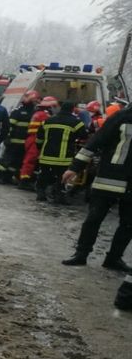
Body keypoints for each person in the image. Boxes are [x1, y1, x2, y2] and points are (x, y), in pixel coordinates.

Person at [59, 106, 132, 272]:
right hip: (109, 177)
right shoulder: (122, 117)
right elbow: (96, 141)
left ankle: (113, 259)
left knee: (128, 224)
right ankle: (81, 254)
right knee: (94, 218)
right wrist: (75, 167)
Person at [34, 100, 87, 204]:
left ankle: (41, 194)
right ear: (72, 109)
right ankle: (59, 196)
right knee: (62, 177)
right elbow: (84, 136)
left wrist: (40, 148)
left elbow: (39, 138)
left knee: (44, 175)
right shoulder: (76, 122)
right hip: (64, 157)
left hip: (46, 155)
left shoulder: (48, 121)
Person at [0, 90, 39, 184]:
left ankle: (7, 177)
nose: (36, 103)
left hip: (25, 144)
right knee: (6, 161)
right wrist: (7, 138)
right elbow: (10, 126)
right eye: (34, 100)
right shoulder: (18, 112)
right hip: (13, 143)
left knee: (16, 163)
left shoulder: (35, 113)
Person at [17, 96, 58, 190]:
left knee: (30, 160)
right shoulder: (44, 115)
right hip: (35, 139)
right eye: (54, 106)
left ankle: (26, 179)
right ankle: (24, 182)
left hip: (32, 138)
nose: (55, 108)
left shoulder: (38, 114)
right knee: (30, 160)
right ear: (50, 106)